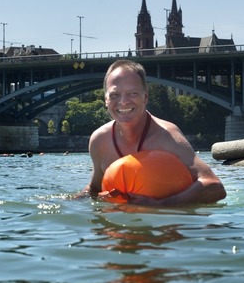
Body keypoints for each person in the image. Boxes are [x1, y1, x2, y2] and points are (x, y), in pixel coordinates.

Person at [80, 59, 226, 206]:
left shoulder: (167, 137)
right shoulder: (100, 141)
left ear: (145, 97)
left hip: (166, 224)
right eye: (114, 95)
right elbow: (94, 189)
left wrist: (162, 205)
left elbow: (215, 186)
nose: (123, 101)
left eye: (132, 93)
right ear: (105, 100)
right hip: (120, 225)